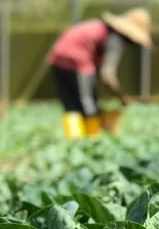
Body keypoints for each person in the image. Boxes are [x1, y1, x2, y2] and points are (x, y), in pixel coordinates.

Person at [47, 8, 153, 139]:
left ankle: (74, 142)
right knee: (88, 103)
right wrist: (120, 96)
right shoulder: (115, 39)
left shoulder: (100, 27)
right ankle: (92, 141)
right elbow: (107, 75)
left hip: (57, 59)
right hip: (79, 61)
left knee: (71, 105)